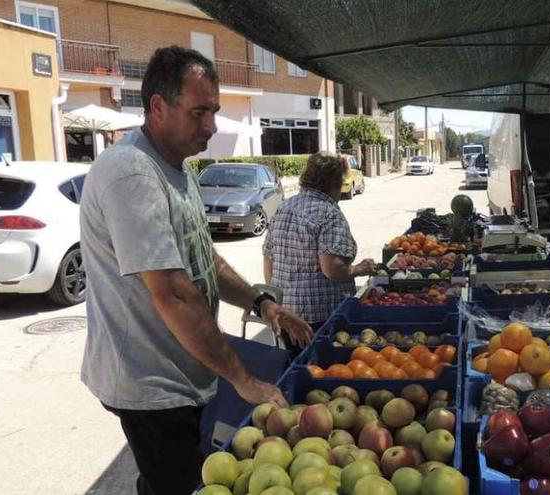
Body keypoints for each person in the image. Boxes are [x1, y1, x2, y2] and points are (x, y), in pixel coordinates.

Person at [79, 46, 312, 495]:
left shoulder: (178, 168)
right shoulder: (132, 173)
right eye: (199, 111)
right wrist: (242, 378)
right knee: (181, 483)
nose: (211, 126)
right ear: (158, 106)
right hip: (151, 382)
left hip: (184, 373)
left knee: (172, 479)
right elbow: (173, 292)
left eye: (215, 111)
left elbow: (204, 260)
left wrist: (262, 304)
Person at [262, 153, 375, 343]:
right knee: (321, 367)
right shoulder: (329, 213)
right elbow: (332, 269)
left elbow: (268, 261)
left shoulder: (284, 207)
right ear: (334, 183)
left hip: (286, 314)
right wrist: (359, 269)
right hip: (319, 317)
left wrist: (281, 300)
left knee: (296, 365)